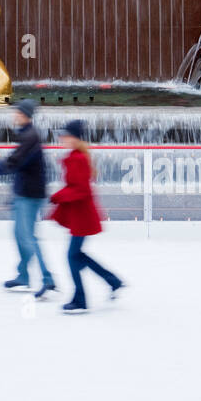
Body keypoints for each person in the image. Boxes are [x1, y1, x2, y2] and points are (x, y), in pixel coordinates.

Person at [0, 99, 56, 298]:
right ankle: (24, 275)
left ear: (25, 115)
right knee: (21, 236)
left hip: (30, 195)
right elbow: (21, 168)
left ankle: (47, 279)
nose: (14, 116)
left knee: (28, 238)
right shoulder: (28, 135)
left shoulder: (30, 137)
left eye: (18, 113)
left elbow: (11, 165)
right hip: (25, 193)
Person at [49, 120, 124, 314]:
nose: (62, 138)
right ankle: (112, 281)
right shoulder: (76, 156)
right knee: (77, 255)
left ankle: (80, 299)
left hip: (82, 215)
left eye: (66, 135)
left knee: (72, 256)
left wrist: (58, 196)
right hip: (80, 214)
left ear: (75, 138)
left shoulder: (78, 159)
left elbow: (81, 190)